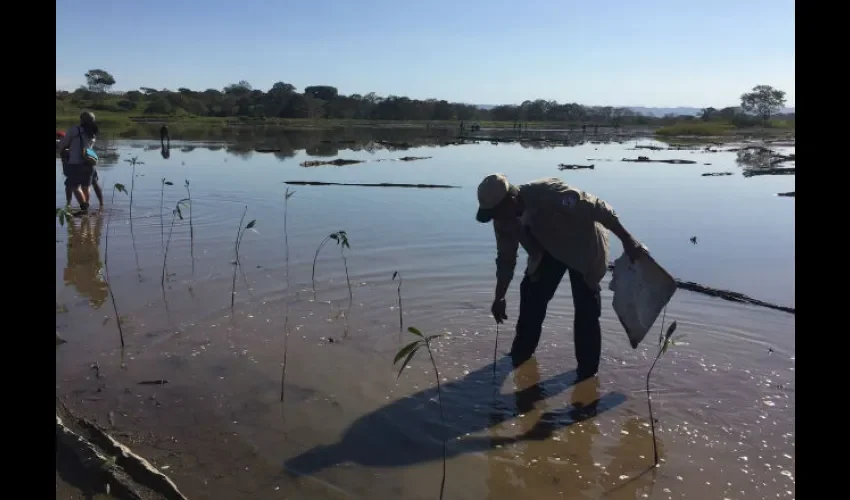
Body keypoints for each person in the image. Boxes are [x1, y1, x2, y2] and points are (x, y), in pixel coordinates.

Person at [475, 174, 648, 380]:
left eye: (496, 213)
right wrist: (499, 296)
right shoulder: (504, 220)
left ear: (511, 201)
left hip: (583, 246)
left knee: (586, 310)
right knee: (531, 297)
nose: (496, 218)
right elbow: (506, 259)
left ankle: (587, 374)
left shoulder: (551, 194)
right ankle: (520, 357)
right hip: (546, 250)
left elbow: (599, 208)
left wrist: (628, 240)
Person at [58, 111, 104, 210]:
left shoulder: (74, 130)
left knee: (74, 187)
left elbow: (64, 144)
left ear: (82, 120)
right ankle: (93, 206)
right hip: (89, 162)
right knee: (86, 187)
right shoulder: (93, 132)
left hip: (75, 163)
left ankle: (84, 207)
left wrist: (62, 151)